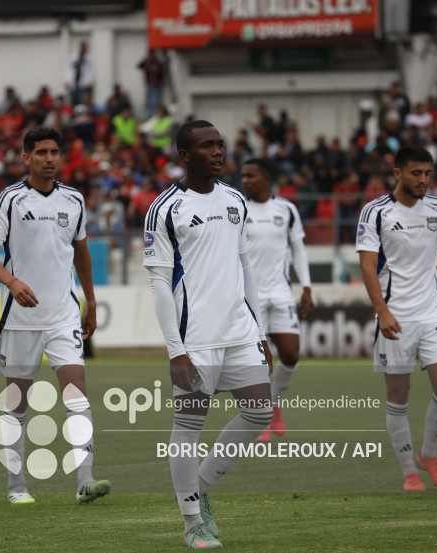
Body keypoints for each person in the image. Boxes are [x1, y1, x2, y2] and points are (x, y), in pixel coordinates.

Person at [143, 120, 274, 549]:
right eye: (207, 146)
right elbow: (160, 284)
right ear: (184, 155)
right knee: (188, 428)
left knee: (259, 412)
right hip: (195, 339)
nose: (218, 152)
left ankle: (198, 486)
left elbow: (246, 268)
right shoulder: (165, 209)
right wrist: (175, 350)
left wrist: (259, 332)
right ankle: (192, 521)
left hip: (239, 333)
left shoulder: (236, 200)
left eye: (220, 144)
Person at [0, 126, 110, 505]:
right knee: (16, 404)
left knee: (77, 396)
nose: (49, 158)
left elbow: (81, 253)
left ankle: (85, 479)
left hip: (63, 315)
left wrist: (91, 300)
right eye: (41, 152)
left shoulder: (74, 200)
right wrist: (13, 282)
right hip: (20, 320)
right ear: (26, 157)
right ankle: (16, 486)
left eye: (54, 151)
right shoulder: (11, 200)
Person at [356, 145, 437, 492]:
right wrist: (383, 312)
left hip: (433, 312)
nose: (423, 180)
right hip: (396, 317)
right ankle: (409, 470)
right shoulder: (375, 212)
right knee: (398, 396)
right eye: (416, 173)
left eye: (427, 173)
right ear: (398, 173)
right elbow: (367, 267)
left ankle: (429, 454)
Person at [240, 158, 313, 443]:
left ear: (266, 177)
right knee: (257, 361)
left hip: (281, 292)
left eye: (251, 176)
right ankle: (261, 420)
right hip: (249, 297)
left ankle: (271, 404)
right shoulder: (237, 208)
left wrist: (306, 287)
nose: (245, 180)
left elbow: (298, 250)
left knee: (291, 354)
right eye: (243, 176)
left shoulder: (286, 210)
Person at [137, 49, 166, 118]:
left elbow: (162, 74)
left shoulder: (158, 63)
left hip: (156, 86)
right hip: (148, 85)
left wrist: (159, 82)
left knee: (154, 101)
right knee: (148, 101)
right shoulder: (147, 62)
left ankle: (152, 114)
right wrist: (145, 59)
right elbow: (139, 66)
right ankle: (148, 115)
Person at [64, 41, 94, 108]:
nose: (82, 49)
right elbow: (69, 70)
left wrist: (89, 82)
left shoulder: (89, 59)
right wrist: (67, 81)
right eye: (81, 47)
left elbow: (90, 71)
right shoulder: (74, 57)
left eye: (84, 48)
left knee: (81, 103)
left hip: (83, 86)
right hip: (73, 85)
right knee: (73, 103)